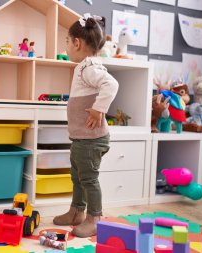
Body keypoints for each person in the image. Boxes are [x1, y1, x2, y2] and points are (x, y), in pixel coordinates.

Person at [53, 13, 119, 238]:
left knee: (88, 178)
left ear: (77, 43)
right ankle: (76, 211)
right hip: (82, 138)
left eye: (67, 42)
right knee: (78, 176)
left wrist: (99, 108)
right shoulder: (85, 66)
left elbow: (111, 84)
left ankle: (95, 218)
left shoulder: (88, 67)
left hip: (91, 139)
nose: (67, 46)